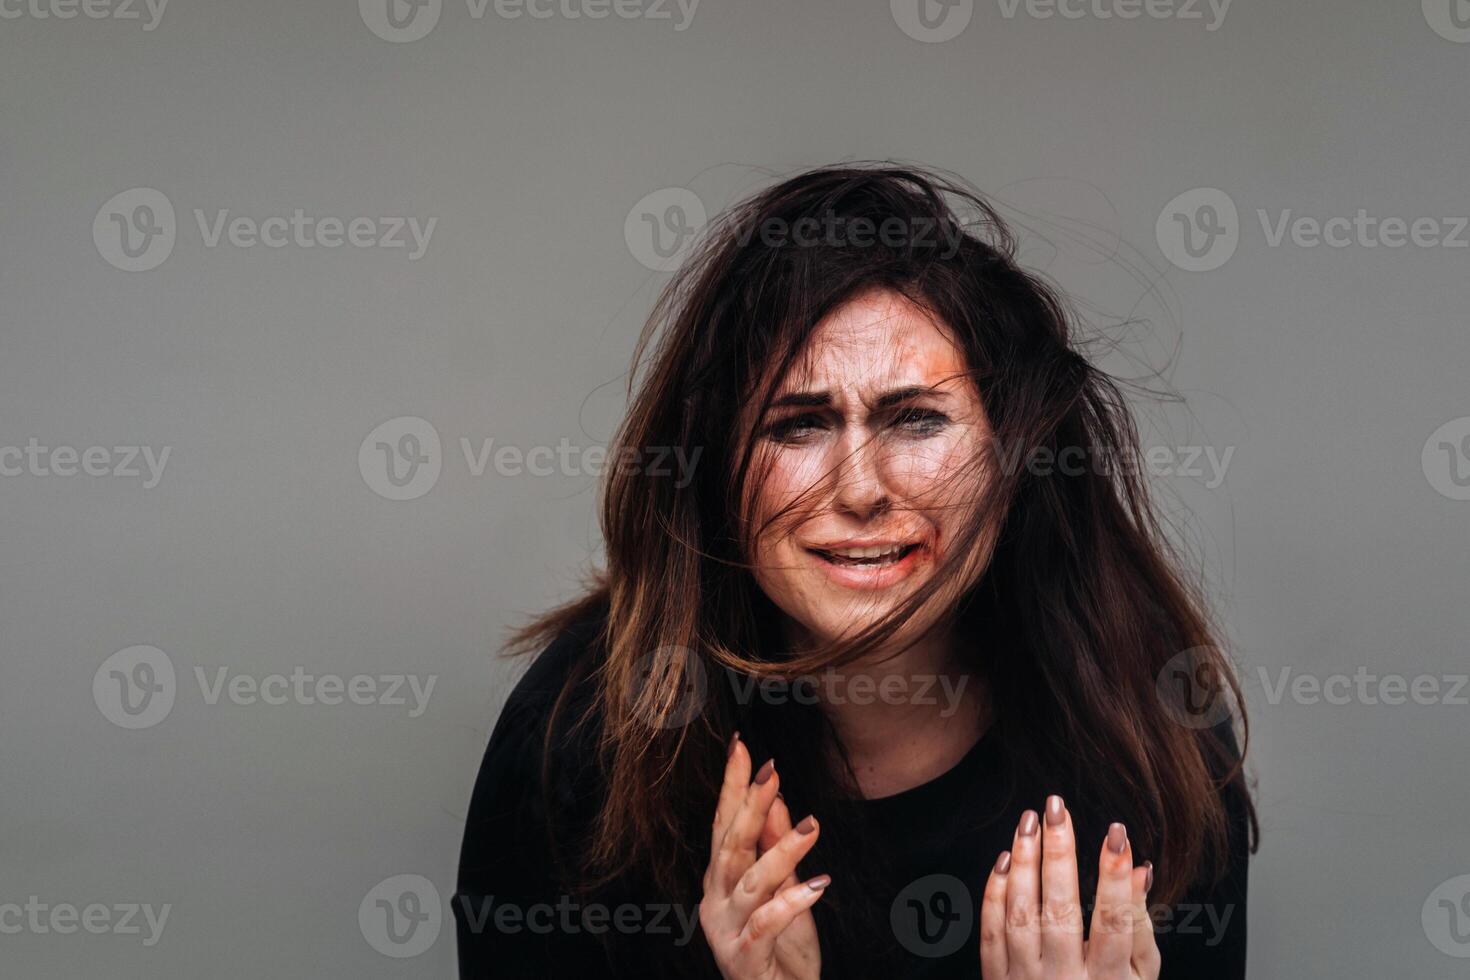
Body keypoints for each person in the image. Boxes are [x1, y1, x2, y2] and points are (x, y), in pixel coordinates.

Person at [454, 164, 1257, 979]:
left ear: (1012, 460)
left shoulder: (1150, 725)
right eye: (798, 426)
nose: (861, 489)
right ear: (712, 471)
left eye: (916, 420)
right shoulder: (585, 733)